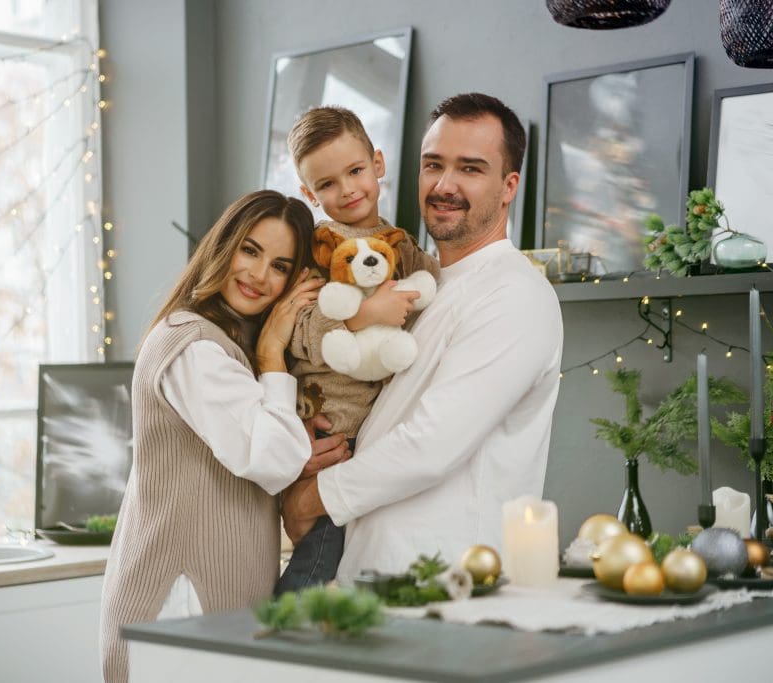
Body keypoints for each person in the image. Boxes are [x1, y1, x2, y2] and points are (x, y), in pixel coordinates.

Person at [282, 93, 564, 581]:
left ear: (508, 186)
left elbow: (430, 445)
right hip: (371, 572)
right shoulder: (419, 283)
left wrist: (311, 498)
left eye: (471, 169)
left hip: (445, 580)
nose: (444, 185)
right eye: (433, 164)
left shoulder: (515, 293)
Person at [99, 190, 333, 683]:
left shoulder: (224, 348)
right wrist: (272, 354)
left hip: (208, 602)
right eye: (250, 250)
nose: (258, 275)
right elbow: (269, 458)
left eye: (279, 265)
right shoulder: (194, 346)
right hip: (181, 601)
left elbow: (260, 441)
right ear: (223, 247)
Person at [275, 106, 440, 595]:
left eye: (355, 171)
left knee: (356, 555)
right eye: (326, 184)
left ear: (379, 164)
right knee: (319, 557)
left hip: (373, 437)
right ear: (308, 194)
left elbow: (442, 288)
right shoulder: (315, 251)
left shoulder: (404, 248)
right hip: (329, 423)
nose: (347, 190)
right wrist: (363, 315)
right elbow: (297, 331)